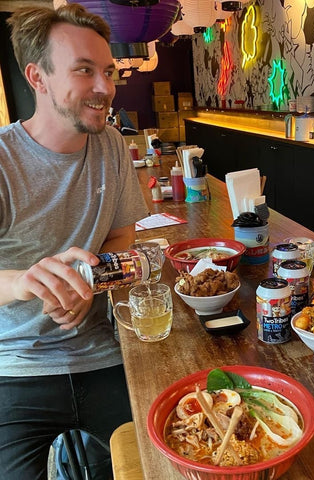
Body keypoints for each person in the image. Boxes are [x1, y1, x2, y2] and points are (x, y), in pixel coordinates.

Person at [0, 4, 149, 479]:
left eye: (108, 71)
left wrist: (92, 282)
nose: (105, 88)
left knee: (163, 460)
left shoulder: (111, 146)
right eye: (84, 71)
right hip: (15, 366)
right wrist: (25, 281)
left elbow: (121, 236)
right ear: (37, 77)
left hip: (102, 352)